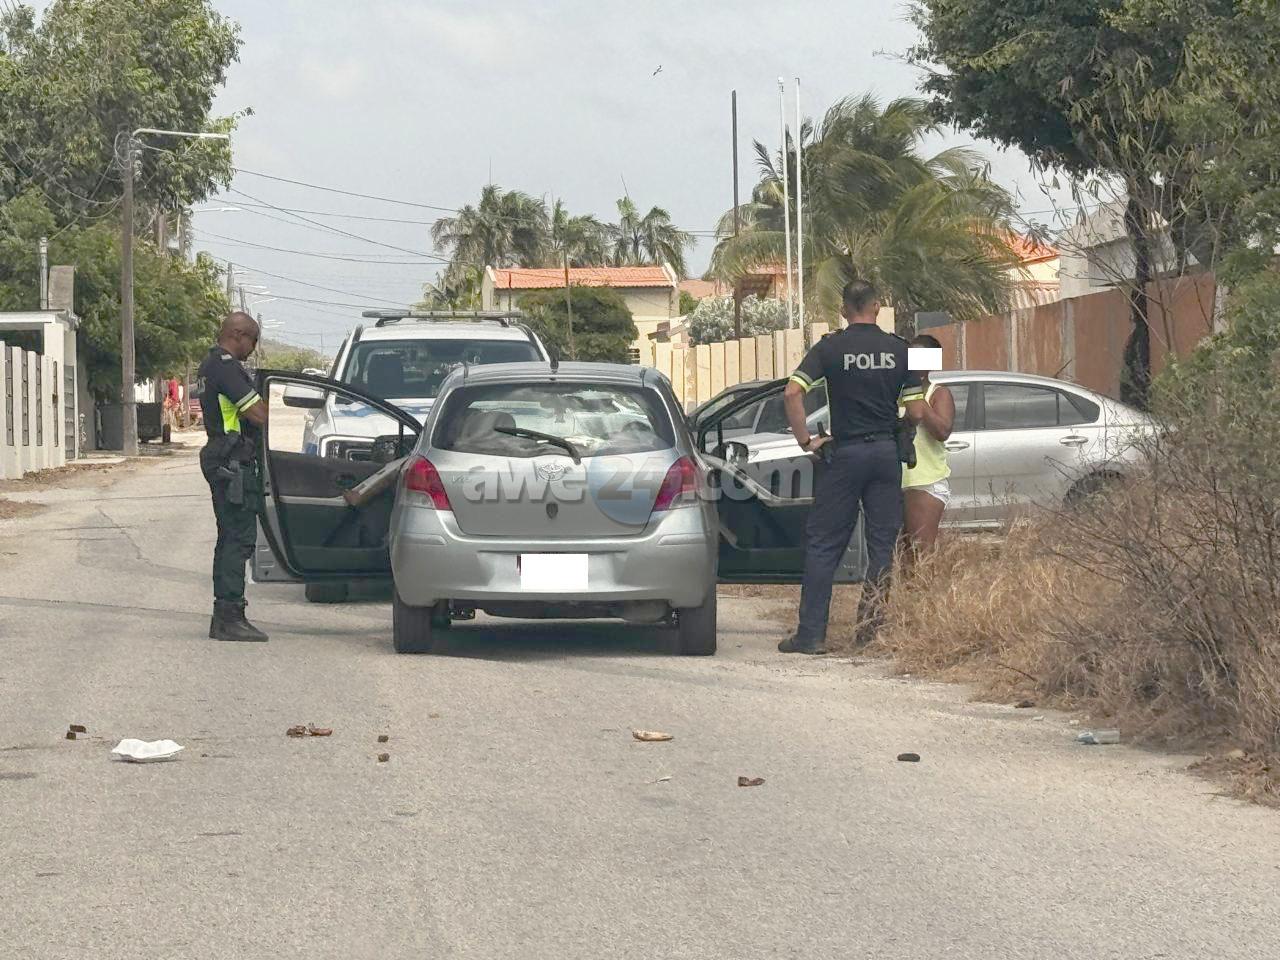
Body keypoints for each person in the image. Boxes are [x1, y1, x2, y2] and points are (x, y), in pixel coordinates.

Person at [779, 280, 926, 655]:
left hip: (844, 456)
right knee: (882, 547)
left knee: (824, 545)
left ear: (844, 310)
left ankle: (811, 635)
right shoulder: (902, 349)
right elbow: (917, 411)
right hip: (885, 455)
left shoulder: (830, 348)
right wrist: (899, 426)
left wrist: (806, 441)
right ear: (877, 307)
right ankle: (870, 633)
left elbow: (792, 392)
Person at [197, 312, 270, 642]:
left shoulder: (211, 364)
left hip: (224, 456)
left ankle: (225, 616)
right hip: (231, 462)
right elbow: (258, 414)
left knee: (229, 537)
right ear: (239, 335)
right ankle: (229, 616)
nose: (252, 349)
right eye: (253, 341)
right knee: (237, 539)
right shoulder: (226, 367)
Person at [900, 334, 956, 563]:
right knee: (900, 558)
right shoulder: (896, 393)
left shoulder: (938, 394)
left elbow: (942, 431)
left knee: (920, 554)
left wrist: (920, 403)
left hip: (924, 481)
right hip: (893, 481)